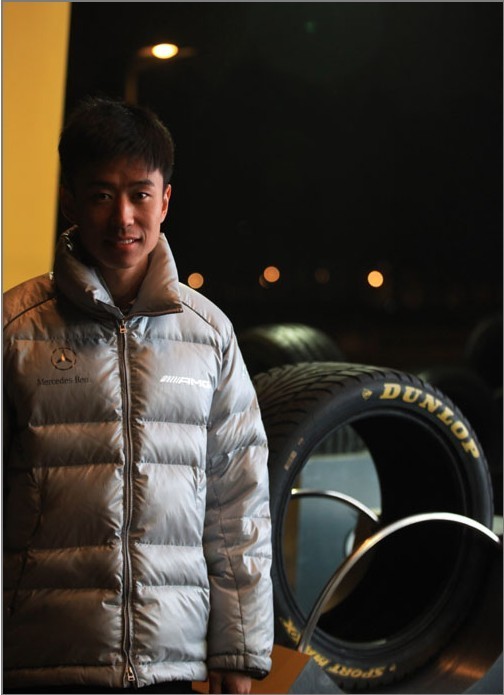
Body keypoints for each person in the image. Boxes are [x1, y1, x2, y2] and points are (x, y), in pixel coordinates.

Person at [3, 96, 274, 694]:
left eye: (140, 194)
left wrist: (238, 648)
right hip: (39, 659)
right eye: (102, 195)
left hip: (170, 663)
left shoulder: (208, 335)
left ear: (165, 201)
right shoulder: (15, 329)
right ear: (70, 201)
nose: (122, 217)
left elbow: (238, 502)